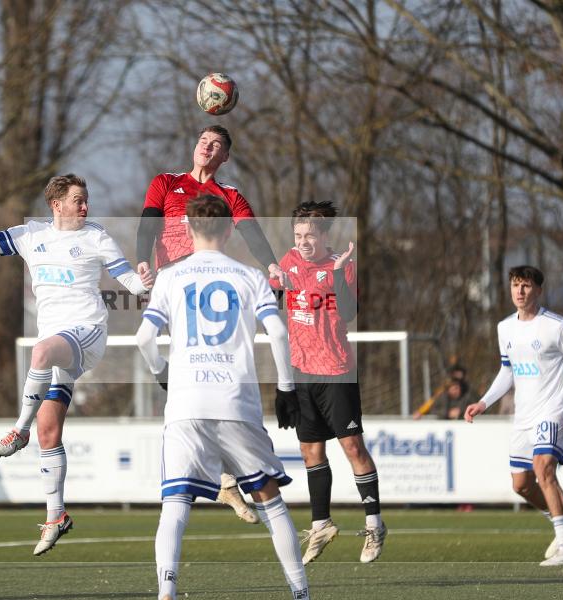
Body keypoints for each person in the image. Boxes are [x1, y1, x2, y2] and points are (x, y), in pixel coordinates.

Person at [0, 175, 152, 554]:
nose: (85, 207)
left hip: (86, 334)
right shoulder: (31, 234)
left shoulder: (96, 236)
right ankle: (56, 516)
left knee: (40, 353)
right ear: (57, 204)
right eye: (78, 200)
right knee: (49, 432)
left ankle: (19, 430)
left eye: (86, 200)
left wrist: (144, 284)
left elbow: (126, 277)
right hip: (56, 343)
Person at [136, 196, 310, 600]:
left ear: (188, 229)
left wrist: (161, 371)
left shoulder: (169, 277)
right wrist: (287, 389)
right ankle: (301, 593)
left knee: (175, 505)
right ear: (231, 229)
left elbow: (145, 338)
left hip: (185, 405)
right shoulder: (250, 277)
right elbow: (279, 334)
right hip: (236, 403)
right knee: (272, 504)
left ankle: (166, 592)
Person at [135, 124, 287, 524]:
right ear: (195, 146)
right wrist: (142, 258)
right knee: (195, 384)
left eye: (217, 144)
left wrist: (270, 264)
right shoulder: (166, 183)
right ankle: (225, 477)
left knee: (213, 381)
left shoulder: (230, 196)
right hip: (177, 292)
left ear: (225, 157)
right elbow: (148, 224)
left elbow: (252, 234)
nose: (208, 146)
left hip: (214, 295)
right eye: (204, 140)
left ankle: (225, 477)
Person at [274, 201, 386, 564]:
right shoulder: (288, 262)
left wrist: (337, 273)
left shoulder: (343, 264)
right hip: (301, 372)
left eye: (310, 235)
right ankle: (321, 525)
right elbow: (268, 299)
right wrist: (273, 278)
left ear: (324, 236)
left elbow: (350, 313)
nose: (303, 241)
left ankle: (374, 524)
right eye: (298, 235)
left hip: (336, 370)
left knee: (352, 446)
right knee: (311, 452)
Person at [464, 265, 563, 566]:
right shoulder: (505, 328)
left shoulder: (556, 326)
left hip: (551, 411)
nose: (519, 292)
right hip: (523, 416)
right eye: (515, 285)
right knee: (521, 484)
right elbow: (507, 372)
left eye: (525, 286)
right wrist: (484, 402)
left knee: (543, 469)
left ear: (538, 289)